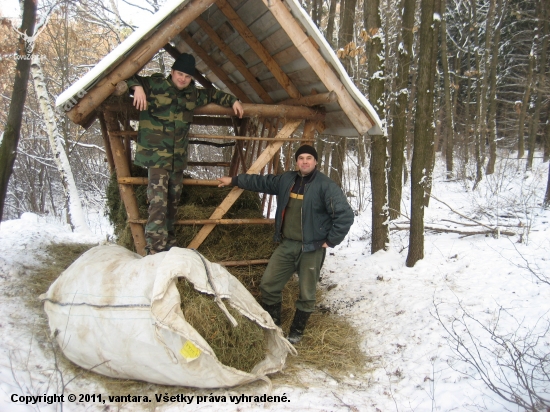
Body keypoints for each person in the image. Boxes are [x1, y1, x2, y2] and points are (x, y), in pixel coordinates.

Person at [217, 145, 354, 343]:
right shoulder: (287, 180)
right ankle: (274, 326)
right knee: (269, 285)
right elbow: (261, 182)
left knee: (307, 293)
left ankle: (296, 334)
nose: (305, 161)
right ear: (297, 162)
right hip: (288, 244)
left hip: (312, 248)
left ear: (315, 162)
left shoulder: (326, 186)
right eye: (301, 158)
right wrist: (234, 180)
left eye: (309, 158)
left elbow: (345, 215)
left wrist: (330, 240)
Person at [126, 53, 244, 255]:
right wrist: (136, 87)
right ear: (172, 72)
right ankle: (155, 249)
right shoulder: (154, 85)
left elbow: (214, 94)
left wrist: (234, 100)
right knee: (157, 204)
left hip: (177, 160)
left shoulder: (193, 95)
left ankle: (169, 246)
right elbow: (126, 75)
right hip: (156, 159)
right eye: (179, 74)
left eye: (187, 76)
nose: (182, 79)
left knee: (172, 203)